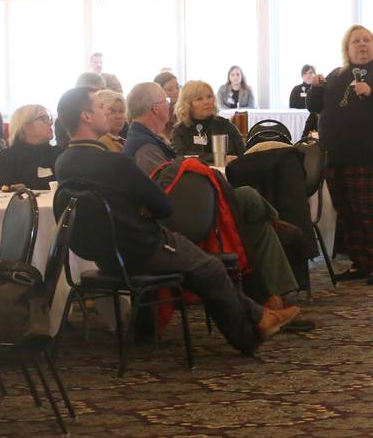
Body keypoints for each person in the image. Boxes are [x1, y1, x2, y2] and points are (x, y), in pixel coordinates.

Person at [54, 87, 300, 354]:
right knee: (211, 269)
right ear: (86, 117)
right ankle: (250, 335)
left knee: (197, 268)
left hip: (106, 255)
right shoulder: (114, 163)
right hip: (142, 249)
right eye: (100, 107)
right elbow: (162, 205)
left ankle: (259, 316)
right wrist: (141, 207)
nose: (107, 112)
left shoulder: (64, 163)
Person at [124, 81, 302, 310]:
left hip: (189, 207)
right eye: (166, 102)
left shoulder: (153, 138)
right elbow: (166, 192)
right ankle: (276, 223)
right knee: (247, 196)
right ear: (155, 109)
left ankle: (275, 299)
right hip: (179, 220)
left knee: (257, 225)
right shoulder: (145, 146)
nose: (169, 105)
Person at [306, 25, 373, 285]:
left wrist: (372, 93)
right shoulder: (335, 75)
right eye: (356, 41)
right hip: (337, 156)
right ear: (347, 48)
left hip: (370, 156)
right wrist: (316, 87)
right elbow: (314, 106)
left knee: (366, 210)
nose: (362, 45)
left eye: (366, 40)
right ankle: (359, 262)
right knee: (346, 211)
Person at [172, 80, 246, 164]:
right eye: (199, 99)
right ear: (187, 104)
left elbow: (243, 154)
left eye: (209, 96)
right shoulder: (180, 130)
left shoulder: (224, 124)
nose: (207, 102)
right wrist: (217, 158)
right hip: (195, 175)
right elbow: (180, 157)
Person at [0, 104, 62, 190]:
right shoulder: (6, 159)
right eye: (43, 119)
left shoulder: (59, 154)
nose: (51, 123)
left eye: (49, 119)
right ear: (26, 127)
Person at [54, 72, 107, 147]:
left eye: (104, 91)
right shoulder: (63, 119)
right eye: (96, 92)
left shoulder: (107, 113)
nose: (101, 96)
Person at [289, 64, 320, 138]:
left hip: (313, 120)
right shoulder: (296, 89)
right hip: (298, 119)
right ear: (302, 76)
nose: (308, 75)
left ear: (315, 74)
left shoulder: (318, 89)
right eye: (305, 73)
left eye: (310, 72)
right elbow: (292, 107)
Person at [153, 71, 180, 138]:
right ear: (159, 92)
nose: (176, 91)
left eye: (177, 87)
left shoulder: (182, 108)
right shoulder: (156, 113)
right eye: (170, 89)